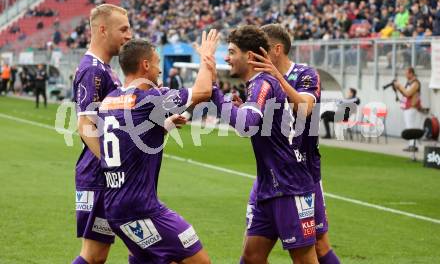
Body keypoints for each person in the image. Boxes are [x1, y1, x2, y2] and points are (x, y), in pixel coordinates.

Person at [96, 31, 218, 263]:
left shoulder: (109, 100)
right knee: (201, 261)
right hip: (141, 208)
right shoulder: (148, 99)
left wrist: (163, 126)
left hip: (114, 205)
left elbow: (129, 138)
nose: (159, 70)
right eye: (157, 63)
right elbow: (203, 92)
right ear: (145, 65)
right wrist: (206, 57)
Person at [211, 25, 318, 264]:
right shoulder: (257, 85)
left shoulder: (263, 83)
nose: (227, 58)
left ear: (249, 56)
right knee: (252, 258)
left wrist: (214, 93)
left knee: (305, 260)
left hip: (290, 185)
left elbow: (246, 125)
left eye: (231, 52)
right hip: (268, 186)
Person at [245, 24, 340, 264]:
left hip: (302, 175)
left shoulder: (306, 74)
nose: (255, 53)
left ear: (276, 49)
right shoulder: (260, 80)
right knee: (252, 254)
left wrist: (277, 78)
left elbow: (305, 108)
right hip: (269, 175)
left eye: (261, 48)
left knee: (318, 245)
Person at [71, 4, 132, 264]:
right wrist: (111, 164)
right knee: (94, 255)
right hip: (99, 177)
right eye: (124, 29)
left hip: (105, 176)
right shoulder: (93, 70)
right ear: (103, 30)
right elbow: (85, 125)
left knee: (102, 253)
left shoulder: (106, 69)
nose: (129, 35)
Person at [393, 67, 422, 151]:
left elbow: (408, 93)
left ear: (411, 73)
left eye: (407, 73)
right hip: (407, 107)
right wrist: (397, 88)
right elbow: (404, 94)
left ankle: (412, 145)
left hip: (412, 107)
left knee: (411, 127)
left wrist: (399, 86)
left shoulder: (416, 83)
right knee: (408, 126)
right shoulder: (409, 83)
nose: (405, 75)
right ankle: (411, 144)